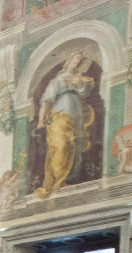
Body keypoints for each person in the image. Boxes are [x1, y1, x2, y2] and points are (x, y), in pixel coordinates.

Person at [34, 51, 96, 198]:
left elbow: (85, 91)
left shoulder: (79, 78)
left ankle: (67, 179)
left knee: (75, 147)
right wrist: (41, 120)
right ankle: (56, 180)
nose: (78, 61)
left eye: (80, 59)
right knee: (61, 146)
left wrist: (79, 82)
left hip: (76, 115)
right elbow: (47, 101)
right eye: (76, 57)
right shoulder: (57, 81)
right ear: (69, 59)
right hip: (59, 117)